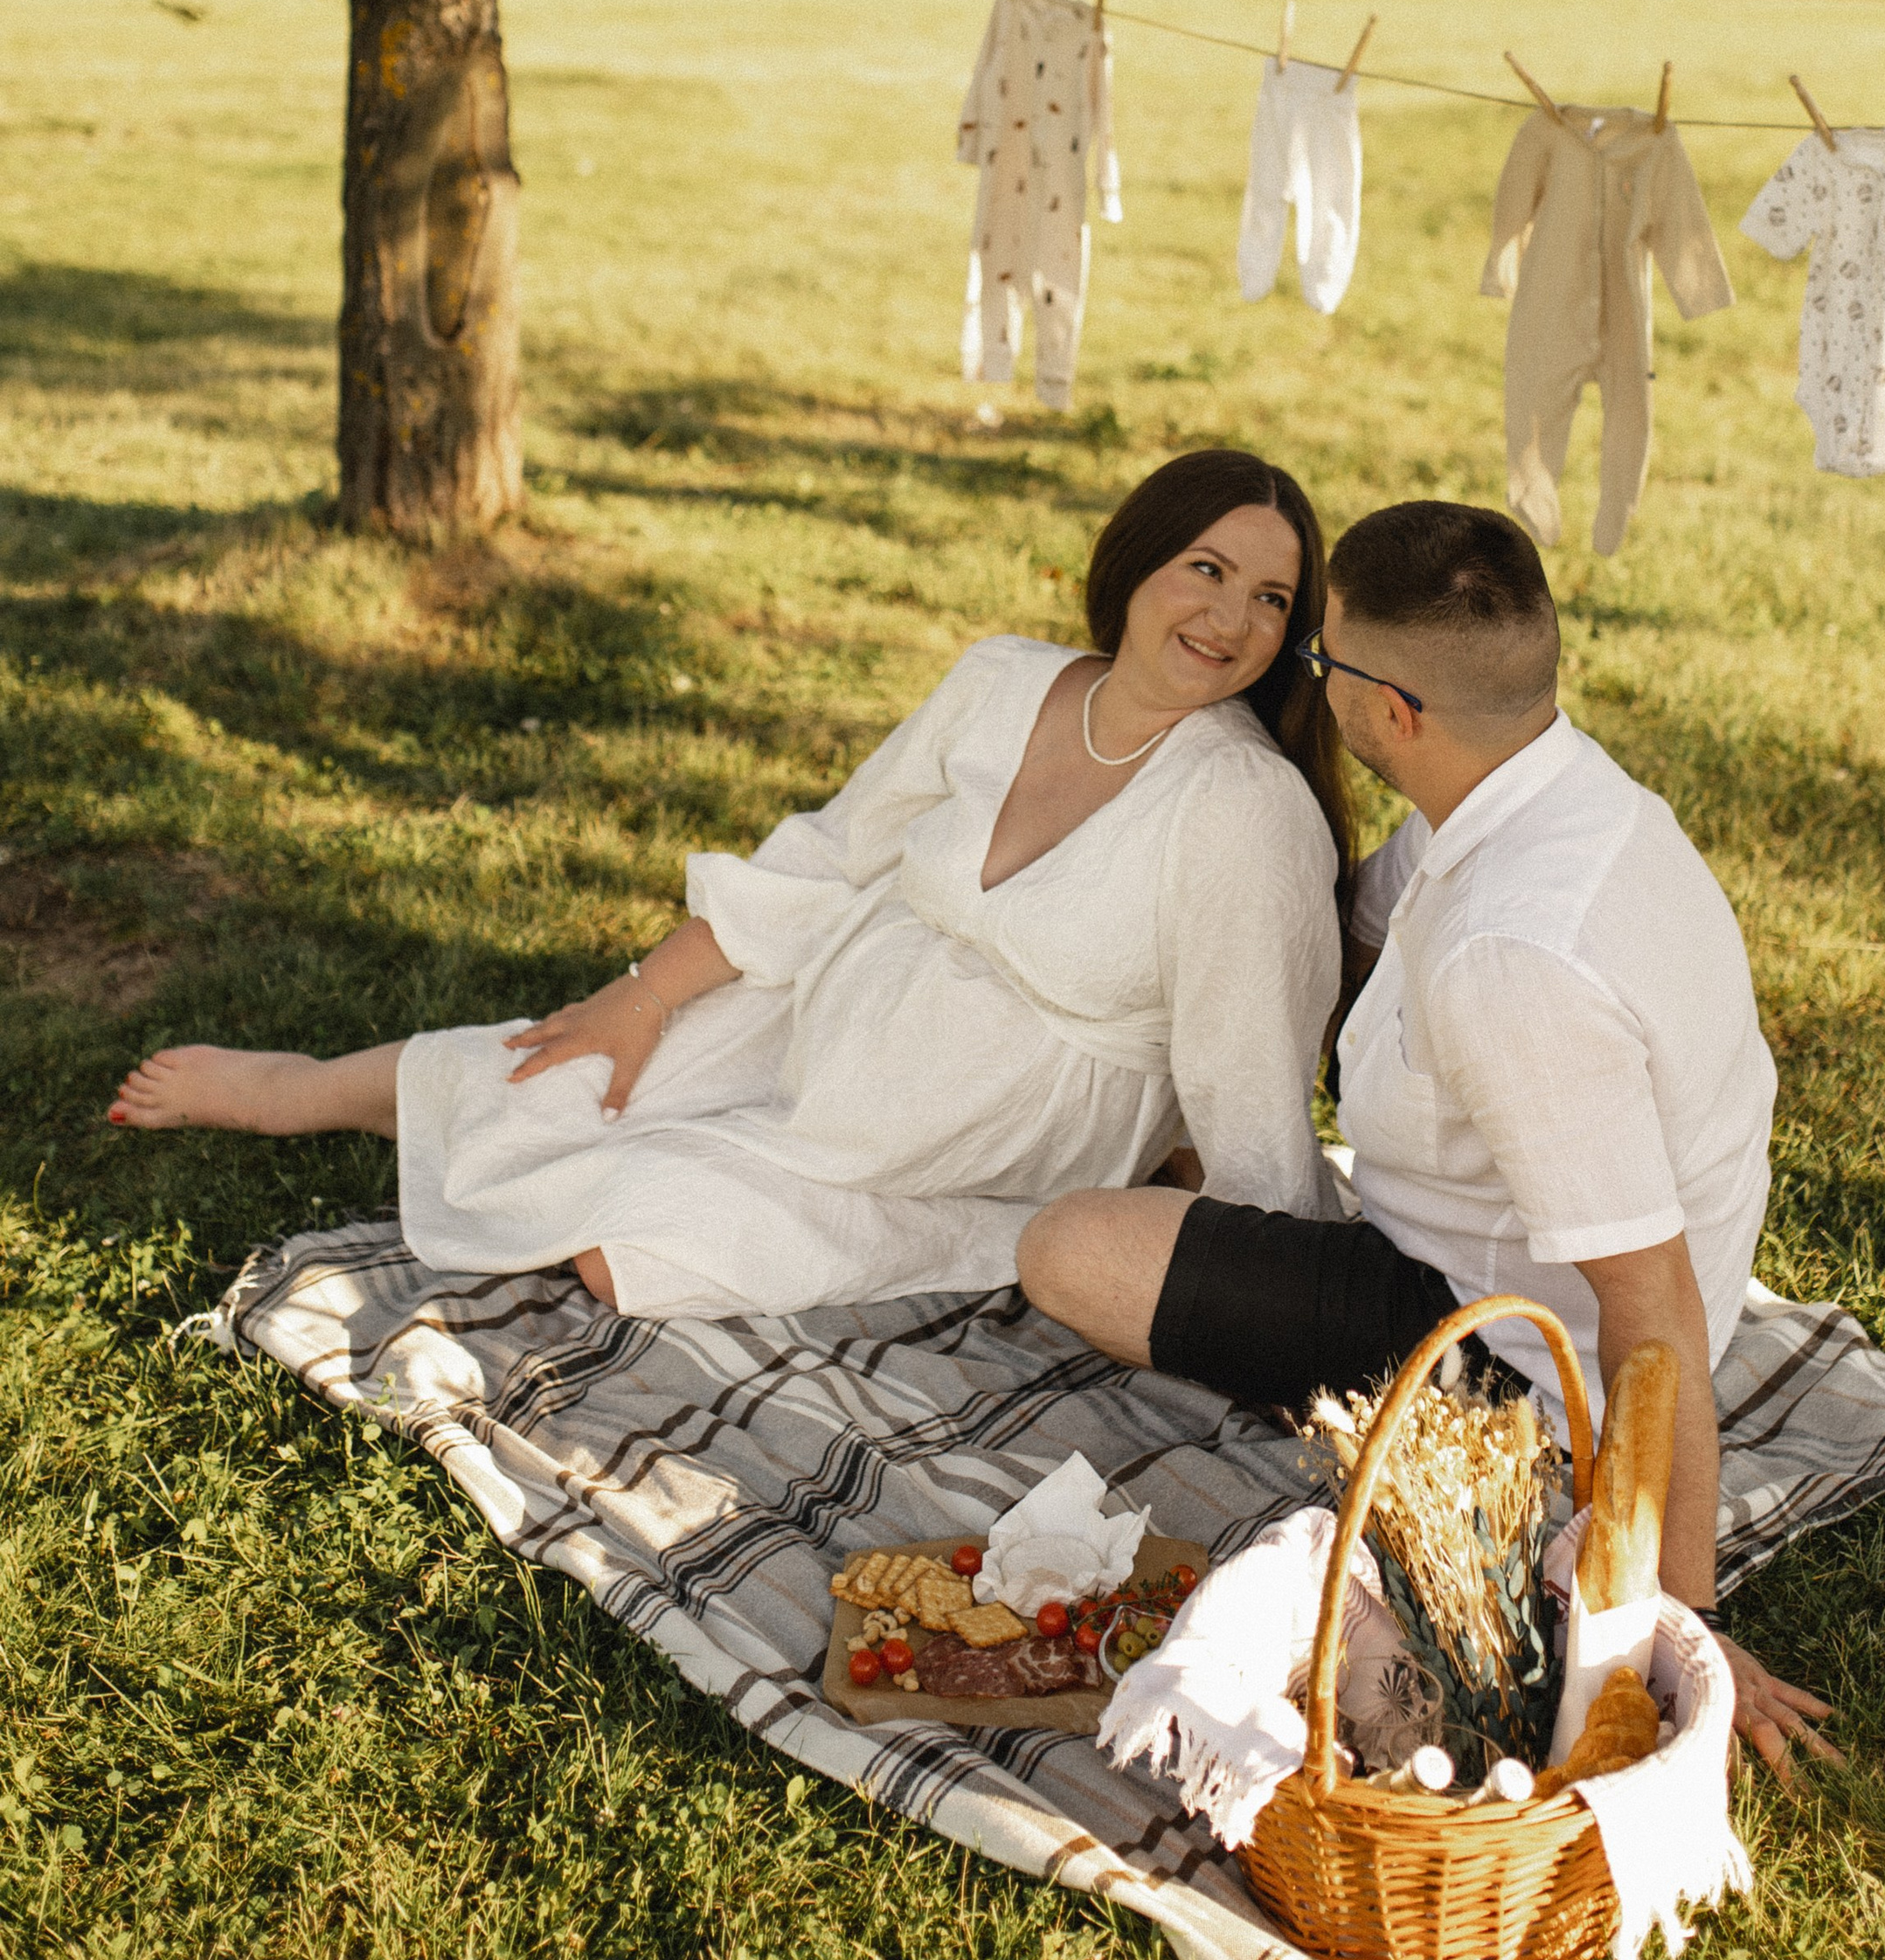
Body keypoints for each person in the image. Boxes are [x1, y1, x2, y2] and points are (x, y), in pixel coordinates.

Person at [109, 448, 1351, 1318]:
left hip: (968, 1145)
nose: (1229, 619)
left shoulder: (1243, 808)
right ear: (1137, 560)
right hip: (822, 1010)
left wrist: (1271, 1285)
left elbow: (1246, 1068)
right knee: (566, 1074)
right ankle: (301, 1090)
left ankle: (784, 1192)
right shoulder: (1003, 680)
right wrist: (648, 995)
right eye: (1206, 569)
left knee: (629, 1240)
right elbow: (833, 856)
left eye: (1270, 599)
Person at [1016, 497, 1839, 1778]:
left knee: (1067, 1249)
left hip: (1513, 1356)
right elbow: (1360, 924)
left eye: (1323, 658)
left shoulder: (1516, 959)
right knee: (1152, 1185)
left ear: (1393, 711)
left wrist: (1677, 1623)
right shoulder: (1529, 786)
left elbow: (1654, 1309)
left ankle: (1467, 1485)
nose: (1309, 675)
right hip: (1485, 1255)